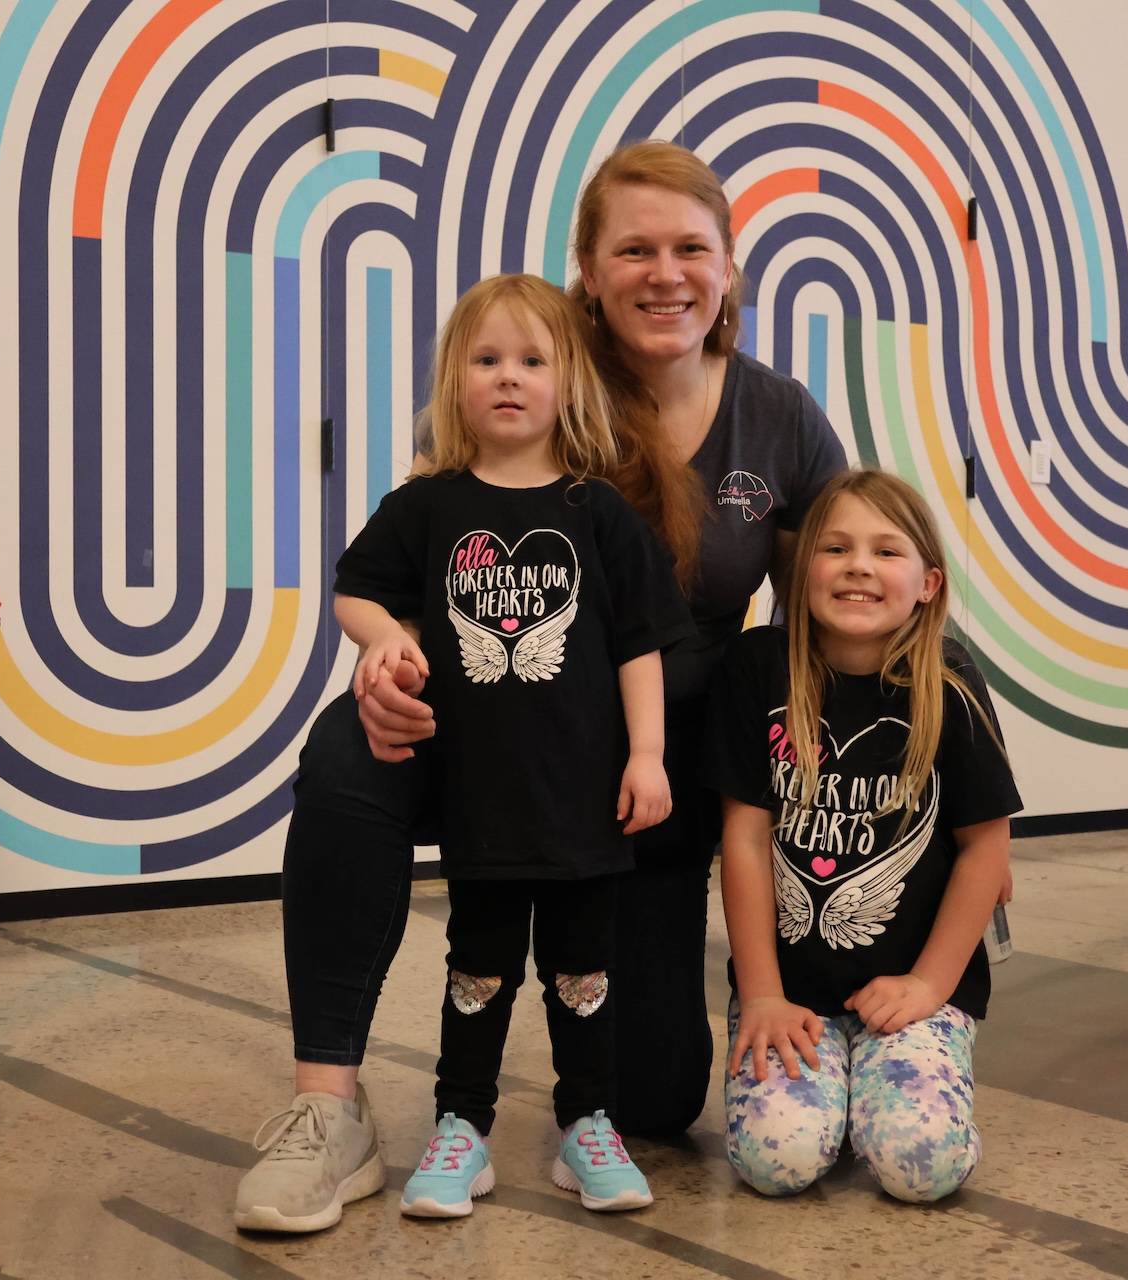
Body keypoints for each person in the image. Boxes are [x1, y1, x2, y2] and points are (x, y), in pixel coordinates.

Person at [236, 140, 846, 1234]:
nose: (666, 273)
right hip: (493, 718)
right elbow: (433, 568)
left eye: (691, 247)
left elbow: (841, 609)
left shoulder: (780, 417)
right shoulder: (526, 377)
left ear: (729, 266)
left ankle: (599, 1103)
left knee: (659, 1096)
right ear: (592, 271)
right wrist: (389, 661)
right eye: (636, 249)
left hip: (654, 759)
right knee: (341, 762)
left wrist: (945, 779)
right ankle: (327, 1108)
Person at [701, 468, 1020, 1202]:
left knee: (922, 1169)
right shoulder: (757, 670)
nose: (859, 567)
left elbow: (984, 848)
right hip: (793, 995)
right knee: (777, 1164)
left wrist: (929, 986)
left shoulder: (952, 681)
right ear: (800, 567)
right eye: (836, 547)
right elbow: (743, 843)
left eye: (886, 551)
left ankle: (891, 1086)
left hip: (908, 994)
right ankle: (835, 1096)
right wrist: (762, 997)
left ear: (929, 582)